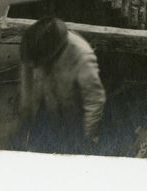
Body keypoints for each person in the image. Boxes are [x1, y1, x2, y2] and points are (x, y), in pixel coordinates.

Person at [17, 18, 105, 155]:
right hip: (46, 107)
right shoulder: (33, 44)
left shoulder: (82, 55)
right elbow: (27, 77)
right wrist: (25, 115)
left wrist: (85, 138)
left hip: (72, 116)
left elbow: (94, 102)